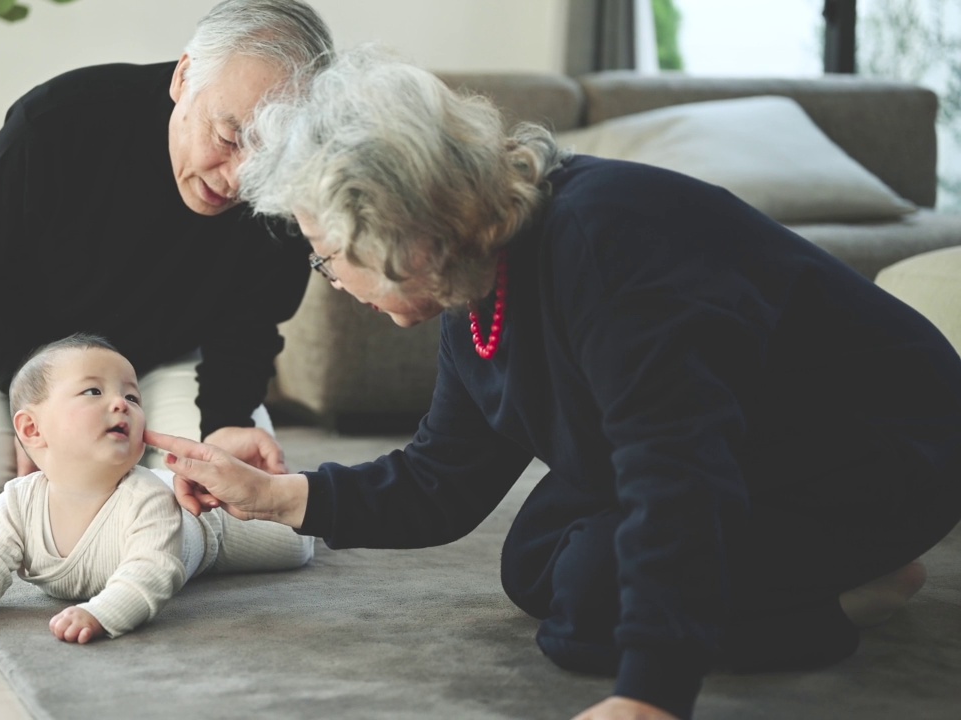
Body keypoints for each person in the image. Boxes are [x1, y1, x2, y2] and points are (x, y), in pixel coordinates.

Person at [145, 48, 961, 720]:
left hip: (873, 454)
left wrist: (649, 696)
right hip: (745, 442)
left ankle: (848, 593)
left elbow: (677, 475)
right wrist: (275, 498)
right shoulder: (478, 281)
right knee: (535, 560)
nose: (331, 277)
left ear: (398, 232)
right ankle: (792, 575)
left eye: (328, 252)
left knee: (593, 594)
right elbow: (442, 482)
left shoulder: (609, 244)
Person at [0, 0, 333, 528]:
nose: (237, 179)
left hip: (173, 360)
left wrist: (227, 420)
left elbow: (250, 323)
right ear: (184, 77)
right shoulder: (57, 120)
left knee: (215, 509)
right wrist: (39, 393)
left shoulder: (285, 185)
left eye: (268, 157)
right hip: (20, 344)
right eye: (227, 139)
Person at [0, 333, 313, 648]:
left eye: (132, 396)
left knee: (298, 537)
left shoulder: (148, 499)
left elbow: (152, 572)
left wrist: (102, 613)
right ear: (31, 430)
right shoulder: (19, 503)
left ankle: (279, 485)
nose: (121, 404)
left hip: (214, 522)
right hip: (169, 497)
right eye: (93, 392)